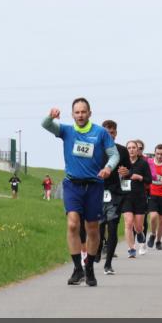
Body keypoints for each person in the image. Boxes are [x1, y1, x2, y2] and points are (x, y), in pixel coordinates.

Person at [41, 98, 119, 287]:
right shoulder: (67, 131)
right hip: (72, 184)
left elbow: (114, 154)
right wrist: (50, 116)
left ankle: (89, 267)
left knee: (92, 228)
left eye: (83, 112)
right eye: (77, 112)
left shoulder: (100, 133)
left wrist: (108, 168)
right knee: (73, 224)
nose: (80, 115)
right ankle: (77, 269)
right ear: (72, 114)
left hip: (94, 185)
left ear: (89, 113)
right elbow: (45, 125)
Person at [96, 120, 131, 275]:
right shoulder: (95, 148)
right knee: (99, 227)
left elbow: (128, 170)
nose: (109, 135)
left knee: (112, 227)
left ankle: (108, 263)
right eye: (106, 132)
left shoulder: (122, 150)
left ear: (115, 133)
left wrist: (126, 172)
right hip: (97, 191)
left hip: (115, 193)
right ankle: (98, 248)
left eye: (112, 132)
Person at [120, 140, 152, 257]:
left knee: (138, 227)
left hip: (139, 197)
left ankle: (139, 233)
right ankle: (131, 248)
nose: (131, 150)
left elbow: (149, 180)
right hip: (126, 197)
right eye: (129, 148)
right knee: (128, 223)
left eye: (134, 147)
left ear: (137, 150)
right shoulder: (122, 163)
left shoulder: (143, 163)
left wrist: (140, 177)